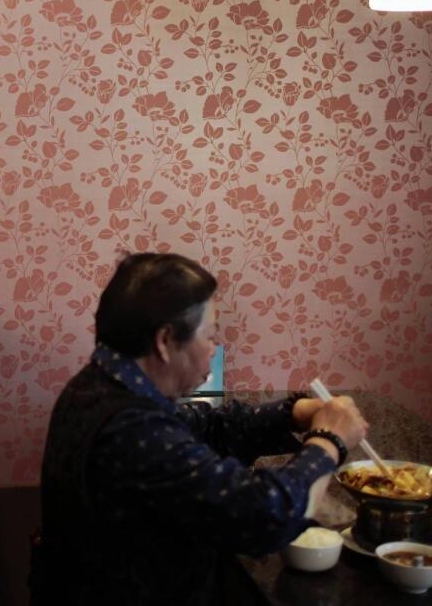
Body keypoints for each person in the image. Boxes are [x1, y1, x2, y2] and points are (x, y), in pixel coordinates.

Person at [37, 253, 368, 605]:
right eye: (209, 336)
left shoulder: (99, 384)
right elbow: (265, 515)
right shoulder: (129, 430)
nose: (213, 349)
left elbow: (204, 427)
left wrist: (293, 413)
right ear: (165, 341)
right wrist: (328, 441)